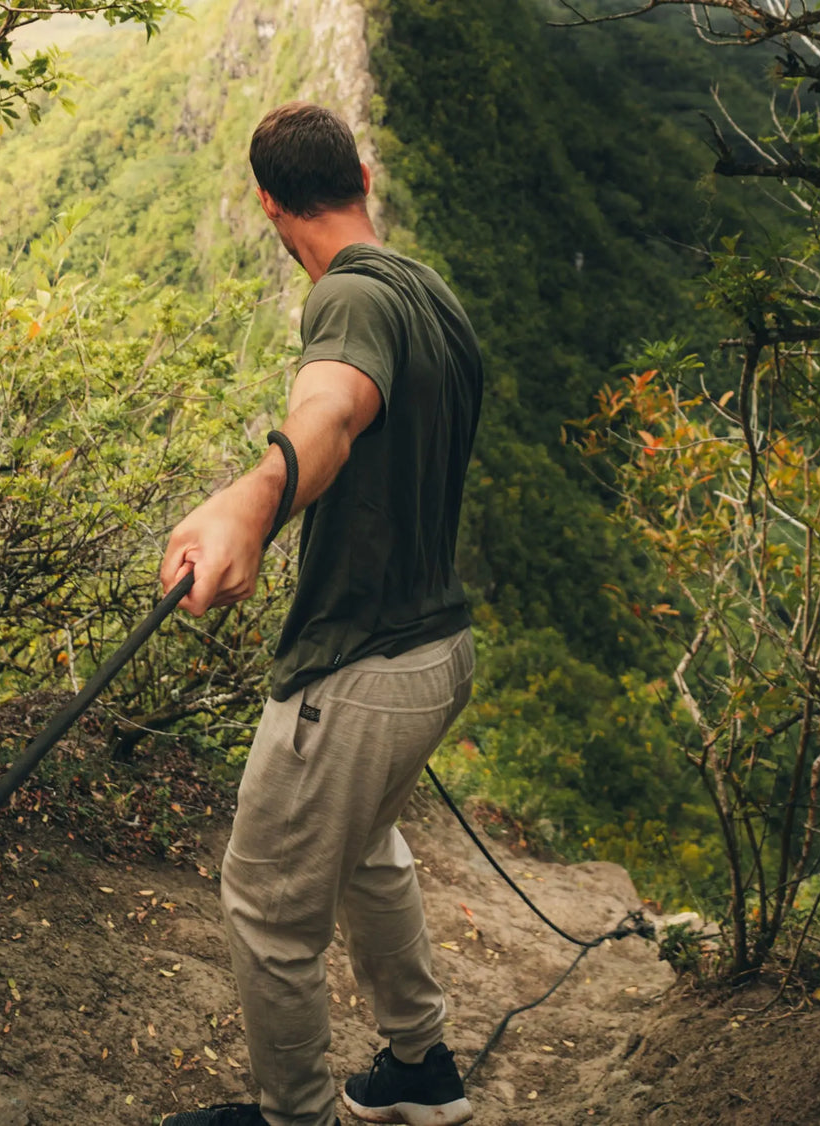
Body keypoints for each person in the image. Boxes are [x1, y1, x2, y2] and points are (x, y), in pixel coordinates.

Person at [158, 102, 483, 1126]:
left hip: (358, 668)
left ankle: (292, 1115)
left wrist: (247, 501)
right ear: (366, 175)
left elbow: (331, 411)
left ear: (267, 202)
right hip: (440, 651)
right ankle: (421, 1068)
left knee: (266, 904)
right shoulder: (432, 295)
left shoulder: (345, 300)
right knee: (370, 848)